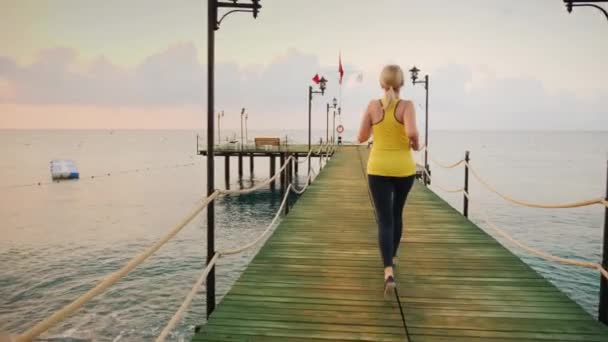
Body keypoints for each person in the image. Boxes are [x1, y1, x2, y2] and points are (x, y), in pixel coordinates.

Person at [357, 64, 420, 298]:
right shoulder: (407, 106)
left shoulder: (373, 106)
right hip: (404, 169)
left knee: (384, 220)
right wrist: (416, 142)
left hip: (378, 169)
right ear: (402, 83)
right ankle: (392, 256)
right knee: (397, 214)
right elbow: (412, 133)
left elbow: (362, 137)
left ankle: (388, 272)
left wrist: (376, 127)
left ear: (381, 84)